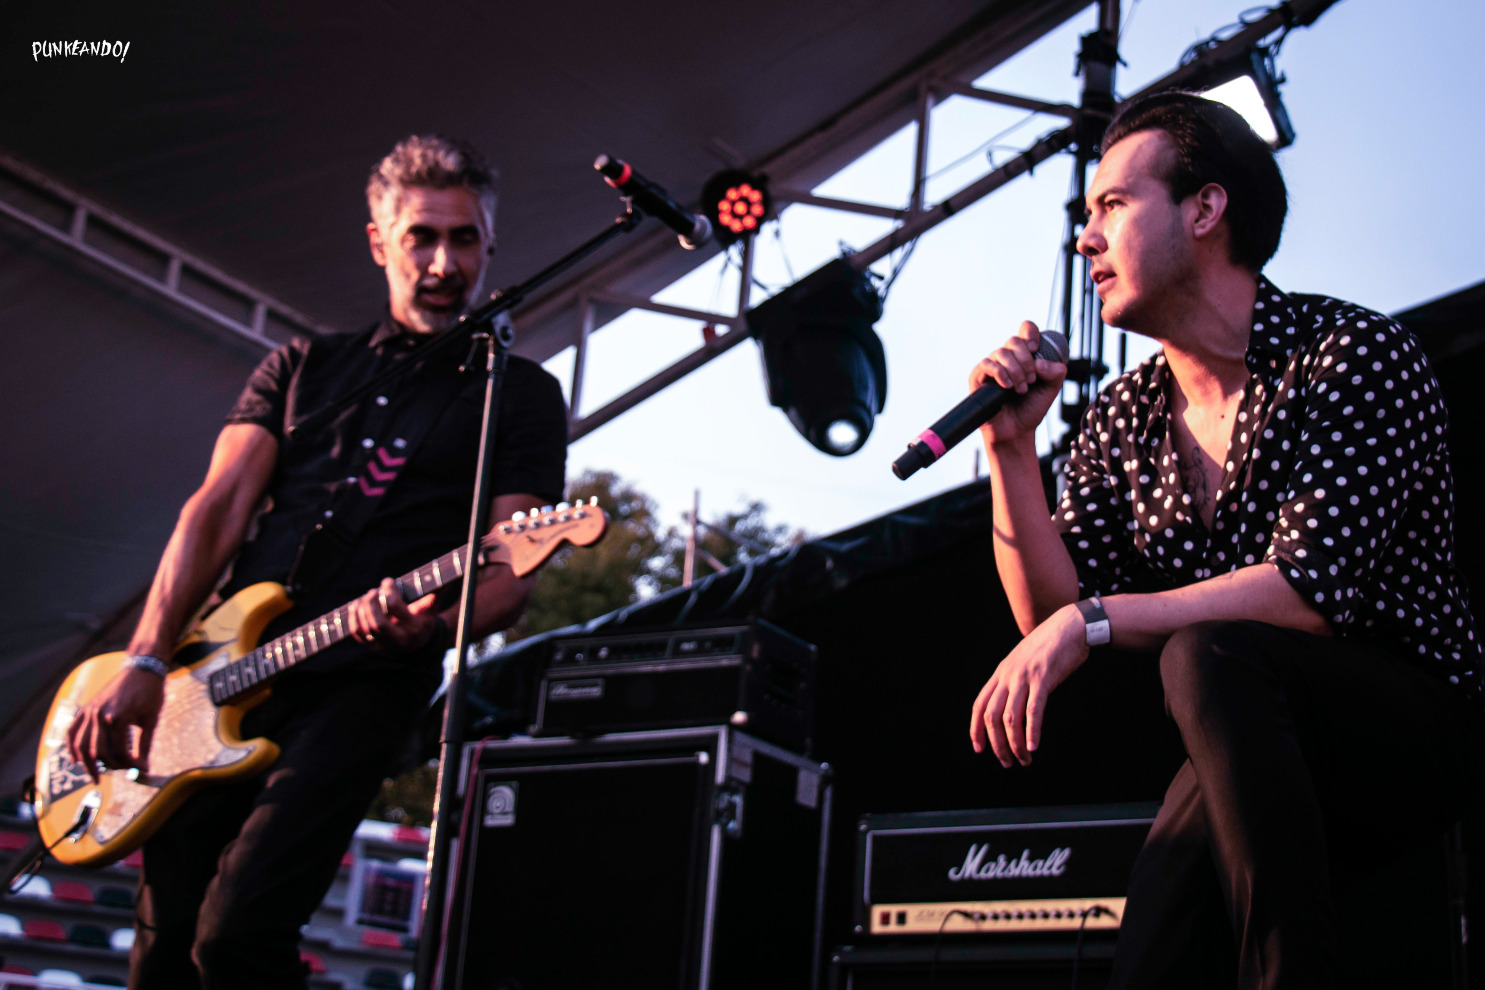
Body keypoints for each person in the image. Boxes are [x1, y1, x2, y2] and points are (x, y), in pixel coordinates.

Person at [967, 91, 1484, 987]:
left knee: (1208, 653)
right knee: (1154, 948)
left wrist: (1092, 621)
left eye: (1112, 205)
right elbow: (1050, 612)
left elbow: (1305, 593)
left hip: (1411, 730)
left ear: (1205, 209)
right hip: (1246, 736)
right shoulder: (1122, 415)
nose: (1084, 239)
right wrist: (1009, 452)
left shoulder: (1348, 354)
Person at [64, 135, 569, 989]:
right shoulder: (302, 367)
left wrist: (433, 626)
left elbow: (509, 574)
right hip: (222, 669)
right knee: (165, 937)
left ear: (490, 243)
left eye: (465, 239)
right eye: (421, 237)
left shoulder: (518, 393)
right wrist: (145, 659)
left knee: (238, 931)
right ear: (378, 242)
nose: (444, 263)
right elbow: (214, 510)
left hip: (365, 681)